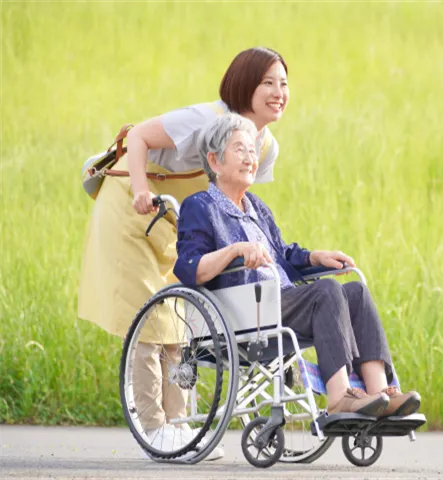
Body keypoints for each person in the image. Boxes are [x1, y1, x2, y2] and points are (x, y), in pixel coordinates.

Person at [77, 47, 289, 457]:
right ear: (244, 85)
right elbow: (138, 136)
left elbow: (233, 200)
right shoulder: (204, 119)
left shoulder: (266, 147)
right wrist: (141, 190)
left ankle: (185, 428)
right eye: (268, 82)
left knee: (183, 321)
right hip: (131, 204)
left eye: (283, 83)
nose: (278, 91)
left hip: (176, 218)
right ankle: (155, 428)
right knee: (154, 318)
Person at [175, 113, 421, 417]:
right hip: (245, 310)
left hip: (281, 300)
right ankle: (340, 397)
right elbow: (190, 267)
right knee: (326, 291)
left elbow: (282, 254)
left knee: (355, 292)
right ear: (214, 161)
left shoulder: (257, 208)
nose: (250, 158)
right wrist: (235, 251)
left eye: (252, 150)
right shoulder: (200, 207)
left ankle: (379, 394)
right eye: (240, 149)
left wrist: (314, 257)